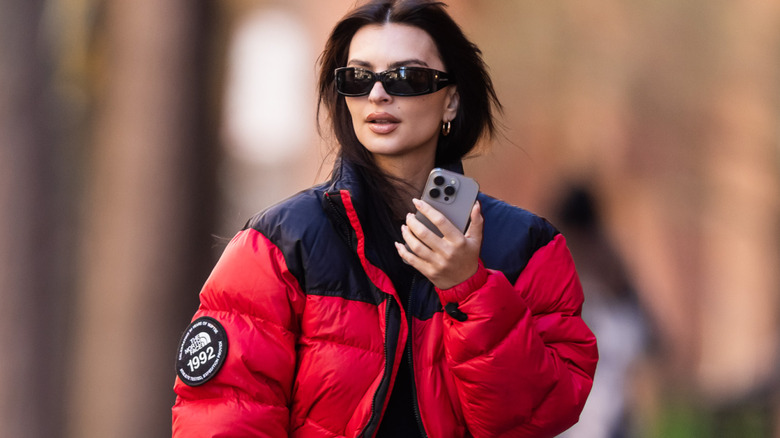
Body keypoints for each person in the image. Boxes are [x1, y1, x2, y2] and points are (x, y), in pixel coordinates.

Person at [171, 1, 598, 437]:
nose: (378, 94)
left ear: (451, 101)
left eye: (406, 77)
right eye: (358, 78)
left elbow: (543, 414)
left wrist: (469, 289)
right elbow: (223, 417)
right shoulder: (279, 246)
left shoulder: (528, 248)